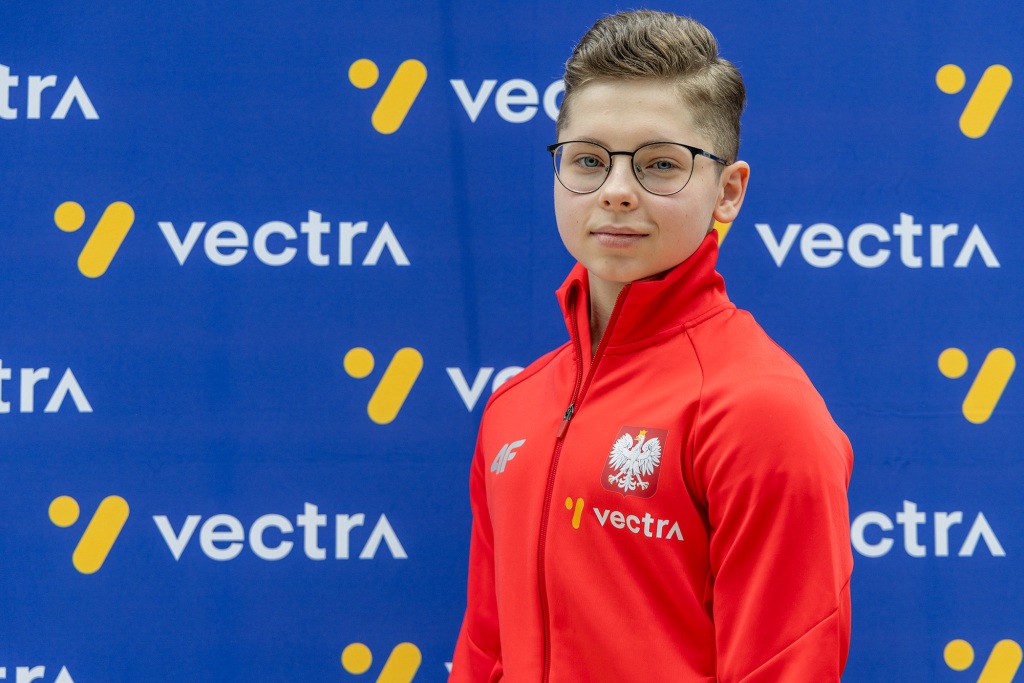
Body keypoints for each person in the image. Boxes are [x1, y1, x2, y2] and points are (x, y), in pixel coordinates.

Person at [450, 10, 853, 683]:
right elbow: (484, 654)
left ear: (728, 191)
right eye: (588, 160)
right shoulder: (514, 406)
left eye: (660, 164)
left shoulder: (759, 409)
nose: (615, 192)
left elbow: (785, 666)